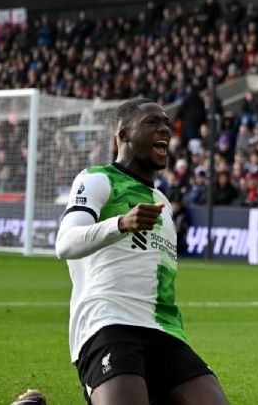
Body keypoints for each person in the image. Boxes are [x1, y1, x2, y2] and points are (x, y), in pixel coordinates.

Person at [55, 98, 229, 405]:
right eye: (152, 122)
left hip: (165, 332)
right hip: (108, 324)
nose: (164, 128)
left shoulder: (161, 201)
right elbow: (65, 243)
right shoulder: (97, 179)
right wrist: (120, 224)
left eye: (165, 123)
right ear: (122, 135)